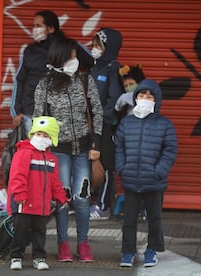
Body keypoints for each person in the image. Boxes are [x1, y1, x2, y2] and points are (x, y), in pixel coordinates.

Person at [33, 37, 103, 262]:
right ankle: (63, 244)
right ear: (59, 57)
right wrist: (42, 146)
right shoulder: (44, 84)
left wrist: (96, 144)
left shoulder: (85, 81)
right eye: (71, 55)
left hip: (83, 149)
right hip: (57, 152)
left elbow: (97, 112)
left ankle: (83, 244)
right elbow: (39, 118)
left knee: (82, 198)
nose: (75, 59)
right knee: (61, 198)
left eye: (75, 55)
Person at [114, 79, 178, 268]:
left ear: (156, 100)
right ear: (135, 98)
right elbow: (119, 146)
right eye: (141, 95)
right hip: (131, 179)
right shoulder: (126, 122)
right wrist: (122, 168)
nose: (145, 99)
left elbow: (170, 149)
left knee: (155, 218)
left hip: (154, 181)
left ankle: (152, 250)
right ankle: (127, 252)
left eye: (150, 96)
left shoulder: (164, 124)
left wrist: (159, 171)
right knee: (129, 220)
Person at [11, 10, 93, 134]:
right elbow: (20, 80)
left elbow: (94, 64)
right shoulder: (31, 50)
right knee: (35, 152)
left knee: (59, 153)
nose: (34, 29)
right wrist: (16, 112)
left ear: (51, 28)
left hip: (63, 113)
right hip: (32, 113)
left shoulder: (69, 46)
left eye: (38, 26)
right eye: (33, 26)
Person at [7, 116, 69, 271]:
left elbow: (55, 182)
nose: (41, 138)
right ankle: (16, 256)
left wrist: (61, 198)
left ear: (52, 139)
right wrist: (19, 194)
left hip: (42, 205)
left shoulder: (52, 159)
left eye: (46, 135)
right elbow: (17, 176)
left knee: (39, 232)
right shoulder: (24, 153)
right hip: (24, 203)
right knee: (20, 231)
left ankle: (39, 257)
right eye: (39, 134)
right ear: (32, 134)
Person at [89, 27, 125, 220]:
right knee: (93, 164)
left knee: (107, 165)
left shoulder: (114, 69)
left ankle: (103, 206)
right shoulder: (95, 68)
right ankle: (95, 202)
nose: (94, 48)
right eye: (94, 44)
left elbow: (115, 100)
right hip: (92, 125)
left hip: (107, 125)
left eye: (98, 45)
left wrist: (103, 120)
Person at [114, 64, 147, 221]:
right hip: (129, 142)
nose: (129, 88)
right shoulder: (126, 99)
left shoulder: (146, 98)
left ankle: (143, 209)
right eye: (126, 85)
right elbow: (117, 107)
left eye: (131, 84)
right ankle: (134, 209)